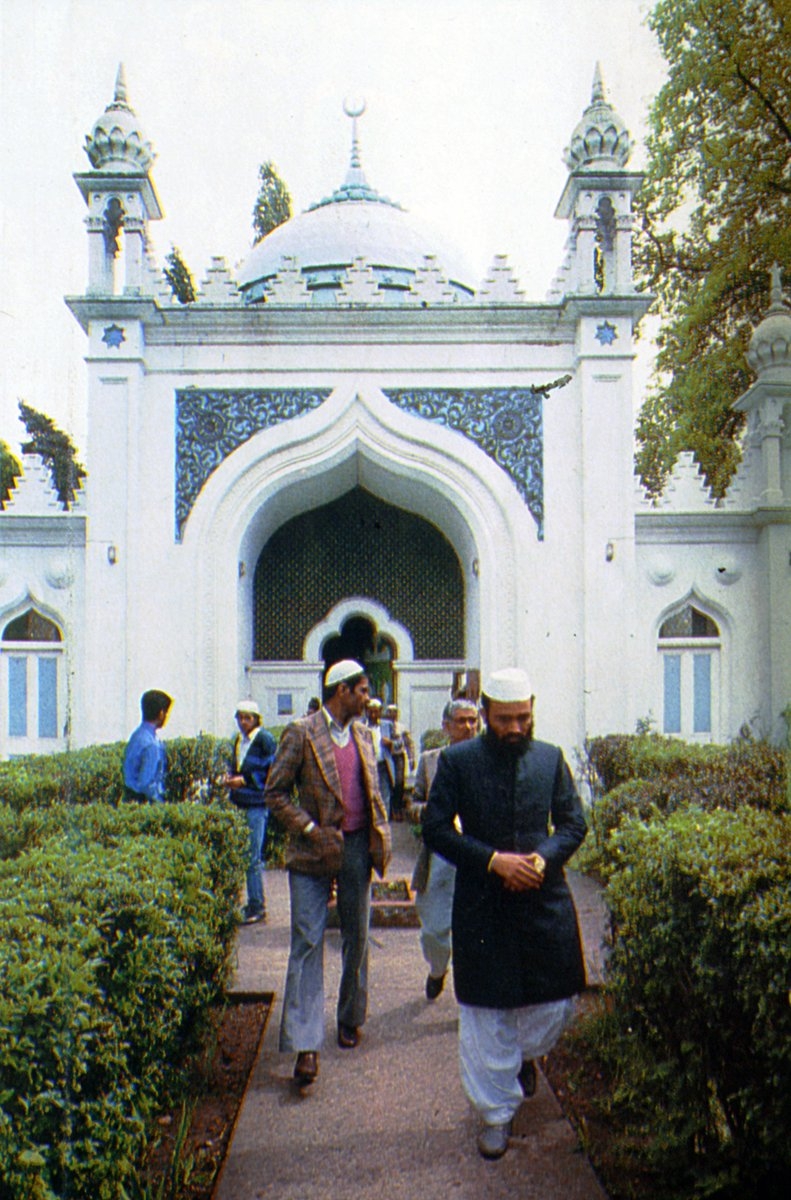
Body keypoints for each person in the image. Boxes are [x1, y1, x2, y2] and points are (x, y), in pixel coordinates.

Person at [423, 668, 587, 1160]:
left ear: (532, 711)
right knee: (485, 1013)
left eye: (523, 718)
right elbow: (435, 829)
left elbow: (573, 823)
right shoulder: (457, 762)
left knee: (554, 1001)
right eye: (504, 719)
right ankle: (495, 1115)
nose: (514, 728)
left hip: (542, 898)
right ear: (487, 712)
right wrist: (493, 862)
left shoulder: (550, 759)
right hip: (483, 904)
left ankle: (519, 1059)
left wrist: (543, 858)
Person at [264, 659, 391, 1089]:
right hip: (311, 852)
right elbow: (275, 792)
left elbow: (372, 792)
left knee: (358, 935)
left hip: (355, 848)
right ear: (341, 690)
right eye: (362, 690)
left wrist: (379, 835)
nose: (367, 698)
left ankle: (350, 1017)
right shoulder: (302, 733)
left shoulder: (363, 734)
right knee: (307, 940)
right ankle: (305, 1045)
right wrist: (310, 829)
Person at [408, 697, 479, 1000]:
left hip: (478, 856)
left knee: (476, 934)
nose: (468, 727)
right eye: (461, 721)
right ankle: (438, 969)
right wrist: (434, 814)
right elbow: (412, 803)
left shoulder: (489, 760)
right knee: (435, 930)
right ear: (446, 726)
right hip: (440, 856)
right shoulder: (430, 761)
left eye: (473, 720)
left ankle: (472, 997)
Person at [223, 699, 277, 925]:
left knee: (253, 857)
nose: (243, 722)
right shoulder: (238, 741)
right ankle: (250, 903)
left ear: (256, 719)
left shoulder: (265, 740)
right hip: (239, 802)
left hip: (256, 805)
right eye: (240, 718)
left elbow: (271, 772)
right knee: (244, 855)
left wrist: (243, 780)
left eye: (248, 718)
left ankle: (257, 905)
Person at [122, 689, 173, 802]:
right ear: (161, 713)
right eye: (166, 712)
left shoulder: (136, 736)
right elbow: (147, 785)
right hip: (144, 803)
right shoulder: (152, 745)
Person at [381, 703, 415, 821]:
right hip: (387, 757)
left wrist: (412, 758)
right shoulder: (383, 727)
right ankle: (390, 810)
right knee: (388, 782)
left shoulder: (401, 727)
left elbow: (408, 743)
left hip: (398, 756)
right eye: (389, 712)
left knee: (399, 782)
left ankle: (398, 808)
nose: (392, 714)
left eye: (394, 712)